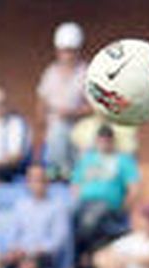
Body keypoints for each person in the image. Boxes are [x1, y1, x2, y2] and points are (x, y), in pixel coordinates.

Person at [0, 164, 70, 268]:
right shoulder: (21, 205)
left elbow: (58, 240)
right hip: (20, 252)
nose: (37, 183)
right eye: (33, 180)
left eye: (40, 179)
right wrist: (14, 248)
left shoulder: (57, 206)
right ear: (28, 182)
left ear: (47, 182)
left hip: (44, 255)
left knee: (27, 266)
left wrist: (31, 251)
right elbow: (12, 233)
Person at [71, 125, 139, 261]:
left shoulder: (124, 160)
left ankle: (86, 255)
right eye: (101, 139)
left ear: (112, 141)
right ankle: (78, 258)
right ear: (96, 141)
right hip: (84, 203)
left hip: (108, 205)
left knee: (90, 219)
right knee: (67, 216)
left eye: (107, 139)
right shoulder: (86, 160)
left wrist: (124, 206)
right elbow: (75, 184)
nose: (104, 142)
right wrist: (77, 199)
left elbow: (134, 187)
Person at [36, 21, 90, 174]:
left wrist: (72, 113)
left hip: (80, 129)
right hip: (54, 131)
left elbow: (96, 107)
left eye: (71, 51)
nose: (67, 55)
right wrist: (43, 125)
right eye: (64, 50)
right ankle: (58, 174)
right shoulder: (50, 72)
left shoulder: (87, 73)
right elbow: (41, 102)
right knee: (56, 132)